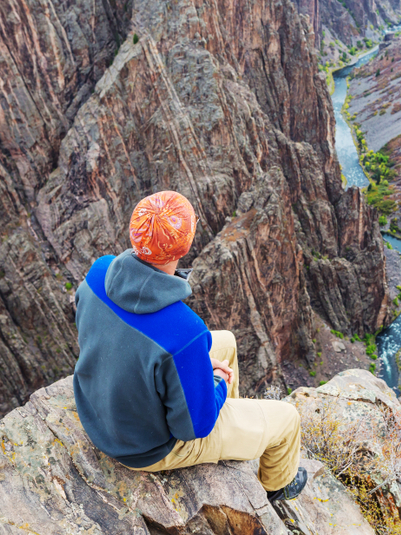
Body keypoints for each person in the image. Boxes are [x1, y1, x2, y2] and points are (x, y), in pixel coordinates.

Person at [72, 190, 307, 501]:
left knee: (225, 342)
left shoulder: (98, 272)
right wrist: (217, 384)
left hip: (99, 409)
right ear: (182, 247)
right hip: (145, 447)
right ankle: (277, 486)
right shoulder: (185, 331)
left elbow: (118, 339)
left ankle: (229, 419)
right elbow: (194, 428)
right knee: (288, 419)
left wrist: (195, 370)